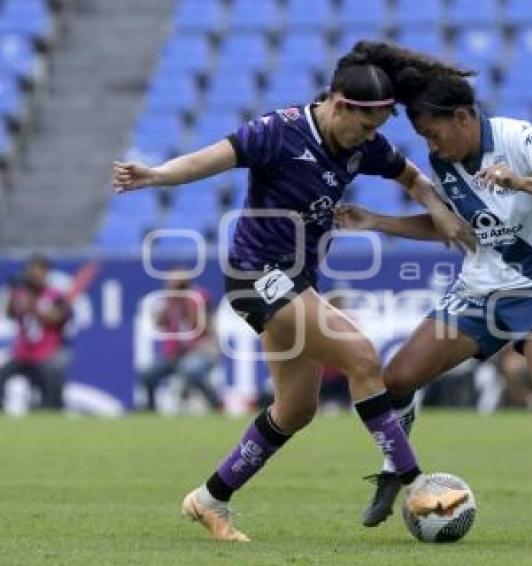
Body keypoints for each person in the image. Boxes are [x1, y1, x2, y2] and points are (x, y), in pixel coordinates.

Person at [112, 43, 475, 542]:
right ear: (340, 105)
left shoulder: (362, 144)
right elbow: (212, 159)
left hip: (299, 279)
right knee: (362, 357)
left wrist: (437, 210)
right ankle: (415, 484)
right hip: (255, 275)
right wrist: (157, 175)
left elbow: (411, 176)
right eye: (366, 127)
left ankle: (209, 499)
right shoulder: (278, 131)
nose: (369, 140)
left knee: (296, 408)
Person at [335, 58, 532, 549]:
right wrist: (377, 222)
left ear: (464, 118)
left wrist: (520, 181)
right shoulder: (444, 163)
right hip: (476, 293)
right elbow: (454, 229)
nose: (431, 147)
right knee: (395, 381)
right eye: (425, 138)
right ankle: (395, 470)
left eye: (435, 134)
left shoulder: (519, 138)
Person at [138, 268, 222, 413]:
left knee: (191, 370)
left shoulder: (198, 298)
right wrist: (169, 302)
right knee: (148, 373)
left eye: (179, 286)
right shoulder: (169, 302)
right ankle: (150, 410)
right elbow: (158, 323)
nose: (176, 290)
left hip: (202, 351)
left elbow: (203, 327)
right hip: (177, 355)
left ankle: (215, 404)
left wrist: (185, 303)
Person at [0, 255, 71, 411]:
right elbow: (10, 314)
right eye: (32, 270)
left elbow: (59, 318)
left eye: (39, 270)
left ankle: (51, 412)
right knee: (2, 374)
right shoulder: (20, 293)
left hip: (46, 353)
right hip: (22, 353)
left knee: (53, 376)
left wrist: (34, 306)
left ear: (46, 273)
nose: (35, 274)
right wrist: (13, 297)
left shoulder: (55, 295)